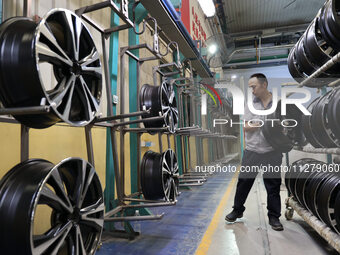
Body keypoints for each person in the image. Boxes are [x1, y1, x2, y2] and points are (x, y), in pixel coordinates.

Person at [225, 73, 284, 231]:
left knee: (273, 185)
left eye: (254, 86)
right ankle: (237, 211)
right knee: (244, 181)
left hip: (273, 151)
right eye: (250, 87)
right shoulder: (251, 104)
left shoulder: (278, 103)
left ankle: (274, 217)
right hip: (253, 150)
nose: (252, 90)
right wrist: (259, 125)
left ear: (264, 85)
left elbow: (287, 126)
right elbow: (245, 126)